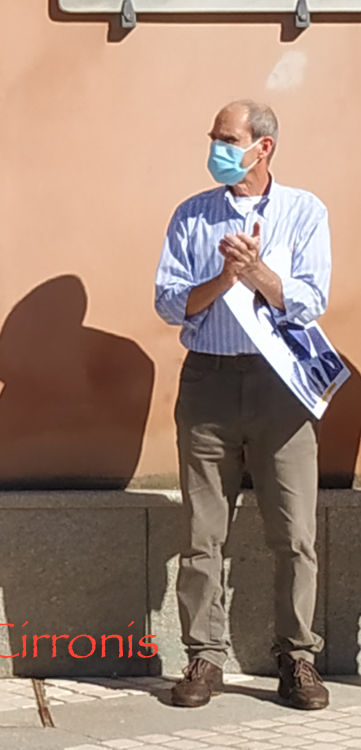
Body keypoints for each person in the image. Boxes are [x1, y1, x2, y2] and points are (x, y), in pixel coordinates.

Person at [154, 100, 332, 710]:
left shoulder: (304, 211)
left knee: (295, 532)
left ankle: (297, 656)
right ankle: (204, 656)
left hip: (282, 386)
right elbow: (169, 302)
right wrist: (224, 279)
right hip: (208, 380)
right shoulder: (193, 214)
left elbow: (311, 300)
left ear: (264, 147)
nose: (217, 148)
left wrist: (258, 273)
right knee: (203, 532)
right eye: (214, 137)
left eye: (228, 139)